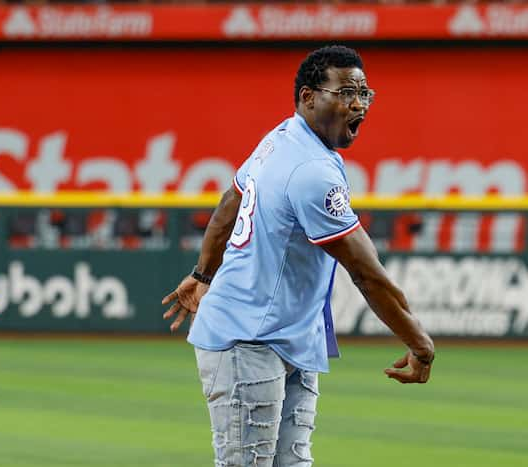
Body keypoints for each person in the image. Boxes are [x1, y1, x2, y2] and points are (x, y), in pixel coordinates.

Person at [161, 45, 434, 467]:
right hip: (248, 338)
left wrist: (202, 274)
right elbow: (367, 274)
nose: (358, 103)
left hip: (289, 336)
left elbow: (229, 203)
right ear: (309, 97)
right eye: (345, 92)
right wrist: (419, 343)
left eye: (364, 93)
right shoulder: (311, 171)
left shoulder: (281, 138)